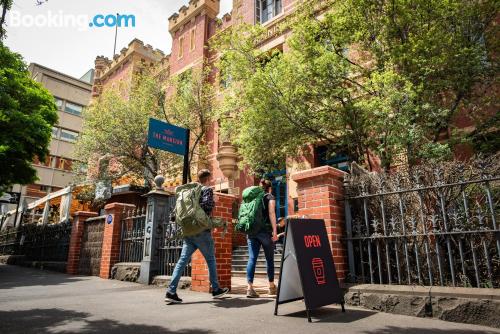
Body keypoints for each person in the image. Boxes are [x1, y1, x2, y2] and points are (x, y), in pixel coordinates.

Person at [165, 169, 229, 304]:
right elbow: (206, 206)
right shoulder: (207, 190)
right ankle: (216, 289)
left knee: (182, 261)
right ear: (208, 178)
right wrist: (214, 200)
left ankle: (171, 291)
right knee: (211, 260)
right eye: (210, 178)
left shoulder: (189, 190)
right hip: (201, 231)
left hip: (188, 231)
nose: (211, 180)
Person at [246, 179, 278, 298]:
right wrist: (275, 231)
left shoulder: (254, 197)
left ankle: (249, 288)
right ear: (270, 188)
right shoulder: (270, 197)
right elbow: (271, 213)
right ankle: (271, 287)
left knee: (252, 258)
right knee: (269, 259)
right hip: (265, 232)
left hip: (251, 231)